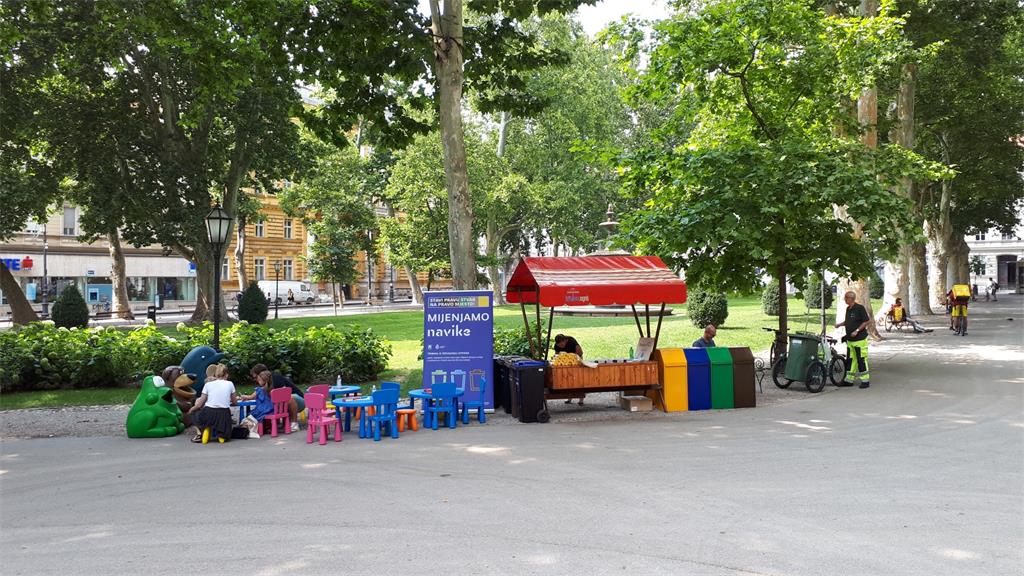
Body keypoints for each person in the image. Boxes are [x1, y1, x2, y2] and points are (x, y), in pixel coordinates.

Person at [189, 364, 237, 443]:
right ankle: (221, 435)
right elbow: (235, 402)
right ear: (227, 375)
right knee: (224, 416)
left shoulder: (208, 384)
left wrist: (191, 409)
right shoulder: (230, 384)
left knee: (193, 413)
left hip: (209, 413)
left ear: (215, 374)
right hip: (223, 415)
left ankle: (202, 431)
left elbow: (200, 404)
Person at [249, 363, 302, 431]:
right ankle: (278, 424)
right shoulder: (264, 385)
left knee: (288, 398)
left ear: (262, 375)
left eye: (256, 377)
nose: (255, 380)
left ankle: (294, 423)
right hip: (283, 402)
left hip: (297, 399)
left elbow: (284, 392)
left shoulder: (276, 377)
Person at [835, 291, 871, 389]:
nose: (845, 299)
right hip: (850, 340)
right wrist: (839, 324)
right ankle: (849, 380)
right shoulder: (848, 309)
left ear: (851, 298)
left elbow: (867, 321)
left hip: (859, 339)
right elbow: (848, 322)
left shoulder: (860, 308)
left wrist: (857, 330)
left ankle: (865, 380)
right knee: (851, 360)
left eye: (846, 298)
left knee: (861, 359)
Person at [237, 370, 276, 435]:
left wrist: (242, 396)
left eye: (259, 380)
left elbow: (250, 397)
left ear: (263, 381)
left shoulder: (259, 389)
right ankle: (265, 427)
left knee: (250, 414)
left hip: (262, 410)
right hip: (272, 410)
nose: (258, 381)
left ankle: (253, 428)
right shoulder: (272, 389)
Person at [552, 334, 584, 405]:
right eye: (559, 345)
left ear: (565, 341)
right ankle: (569, 397)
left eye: (562, 344)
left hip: (576, 359)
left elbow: (580, 352)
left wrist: (570, 356)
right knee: (568, 379)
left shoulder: (572, 341)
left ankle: (581, 399)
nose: (561, 346)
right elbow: (557, 355)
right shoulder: (556, 346)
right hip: (565, 363)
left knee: (578, 378)